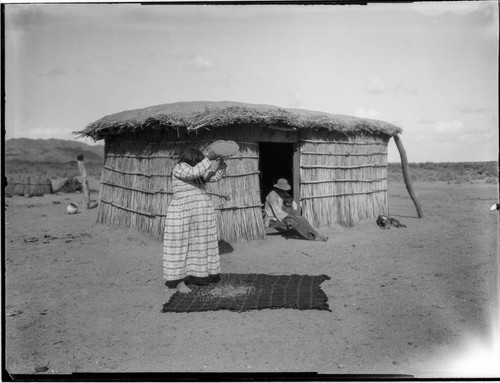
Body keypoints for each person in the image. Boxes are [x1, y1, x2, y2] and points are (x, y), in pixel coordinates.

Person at [163, 147, 226, 293]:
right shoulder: (180, 168)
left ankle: (197, 274)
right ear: (192, 159)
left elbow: (214, 176)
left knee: (199, 244)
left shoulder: (197, 170)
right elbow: (194, 172)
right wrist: (209, 158)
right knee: (180, 245)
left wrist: (221, 163)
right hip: (182, 214)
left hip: (200, 215)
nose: (200, 162)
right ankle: (178, 281)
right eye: (198, 160)